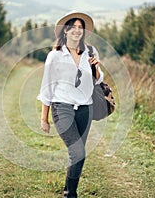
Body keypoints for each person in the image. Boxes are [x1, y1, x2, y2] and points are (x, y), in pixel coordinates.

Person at [37, 11, 104, 198]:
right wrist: (44, 118)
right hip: (62, 108)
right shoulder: (55, 56)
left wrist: (96, 68)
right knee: (78, 151)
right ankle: (70, 195)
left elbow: (97, 81)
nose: (76, 31)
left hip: (85, 108)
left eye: (80, 27)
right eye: (72, 27)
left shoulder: (90, 52)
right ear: (65, 31)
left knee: (78, 155)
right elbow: (47, 88)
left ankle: (69, 191)